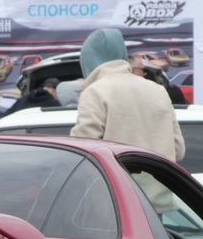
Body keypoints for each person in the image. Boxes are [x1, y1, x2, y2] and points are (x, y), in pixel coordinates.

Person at [70, 27, 185, 162]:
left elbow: (82, 151)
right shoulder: (158, 90)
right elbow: (178, 150)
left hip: (117, 181)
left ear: (87, 59)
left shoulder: (95, 92)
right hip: (160, 180)